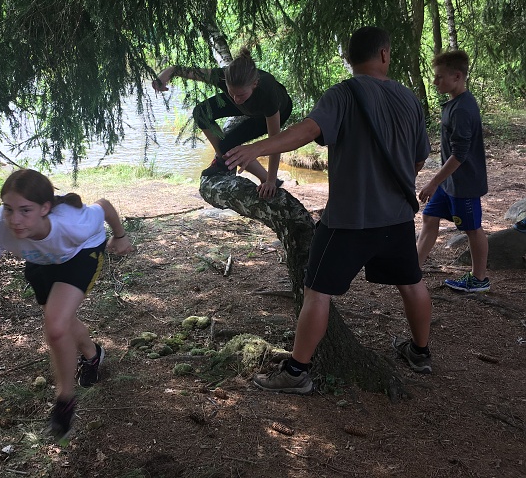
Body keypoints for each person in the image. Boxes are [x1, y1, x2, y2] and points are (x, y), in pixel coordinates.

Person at [224, 26, 433, 393]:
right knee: (412, 283)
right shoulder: (409, 98)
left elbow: (308, 130)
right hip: (398, 217)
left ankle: (296, 373)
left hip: (348, 221)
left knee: (317, 292)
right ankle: (420, 353)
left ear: (350, 59)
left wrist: (257, 147)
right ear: (384, 54)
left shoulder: (342, 94)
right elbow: (418, 159)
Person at [0, 169, 133, 438]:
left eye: (25, 210)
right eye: (8, 208)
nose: (15, 220)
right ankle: (93, 355)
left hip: (82, 252)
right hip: (42, 260)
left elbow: (104, 206)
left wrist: (119, 236)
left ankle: (64, 402)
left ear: (45, 208)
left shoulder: (73, 222)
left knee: (56, 326)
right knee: (61, 320)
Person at [152, 48, 293, 198]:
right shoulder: (222, 77)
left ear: (255, 84)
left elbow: (275, 142)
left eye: (240, 94)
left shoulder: (267, 94)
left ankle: (269, 179)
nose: (236, 99)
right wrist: (167, 73)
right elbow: (188, 72)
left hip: (277, 111)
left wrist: (270, 180)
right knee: (201, 113)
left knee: (228, 145)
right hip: (249, 104)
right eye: (232, 93)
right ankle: (223, 160)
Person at [417, 50, 490, 292]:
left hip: (464, 184)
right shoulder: (454, 103)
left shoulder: (462, 109)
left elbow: (460, 154)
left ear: (457, 76)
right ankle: (413, 270)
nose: (435, 81)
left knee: (472, 228)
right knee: (429, 217)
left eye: (439, 77)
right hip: (450, 182)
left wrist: (433, 182)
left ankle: (479, 279)